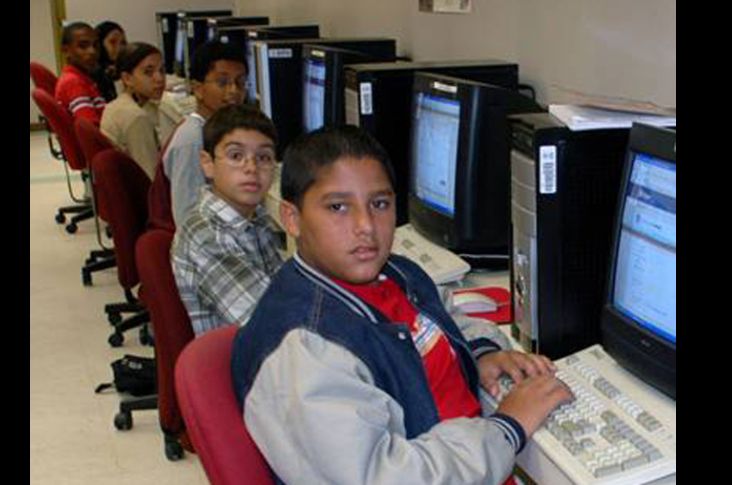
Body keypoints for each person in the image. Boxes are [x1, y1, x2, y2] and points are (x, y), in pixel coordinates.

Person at [231, 126, 574, 484]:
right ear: (292, 218)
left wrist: (481, 352)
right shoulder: (306, 351)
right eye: (338, 207)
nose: (366, 226)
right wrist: (507, 428)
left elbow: (442, 317)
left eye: (379, 204)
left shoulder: (393, 273)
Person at [171, 104, 283, 336]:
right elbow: (272, 324)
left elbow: (282, 290)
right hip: (246, 353)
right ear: (207, 163)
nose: (251, 168)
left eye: (264, 157)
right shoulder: (206, 235)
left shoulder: (255, 218)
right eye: (236, 156)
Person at [161, 40, 248, 225]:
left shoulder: (215, 131)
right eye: (222, 82)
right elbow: (187, 219)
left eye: (240, 82)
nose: (234, 91)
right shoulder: (193, 140)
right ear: (198, 89)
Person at [100, 42, 166, 180]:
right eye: (148, 72)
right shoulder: (136, 118)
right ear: (127, 78)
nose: (160, 79)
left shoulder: (115, 105)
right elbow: (151, 178)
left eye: (162, 70)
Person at [54, 22, 105, 126]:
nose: (92, 51)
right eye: (83, 46)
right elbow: (89, 127)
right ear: (66, 51)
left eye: (95, 45)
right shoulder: (73, 82)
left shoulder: (82, 78)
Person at [93, 21, 127, 102]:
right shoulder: (93, 75)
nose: (119, 48)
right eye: (112, 42)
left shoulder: (128, 71)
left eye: (123, 43)